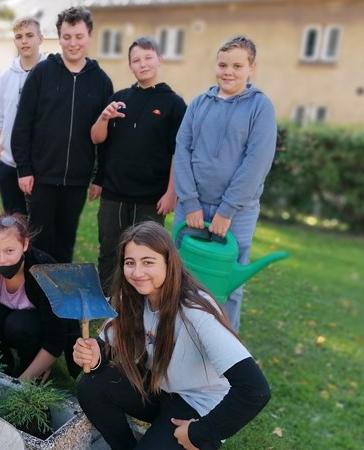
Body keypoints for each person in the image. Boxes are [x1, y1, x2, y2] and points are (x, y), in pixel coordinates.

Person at [73, 222, 271, 450]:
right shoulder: (131, 296)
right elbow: (107, 352)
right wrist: (93, 357)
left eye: (148, 262)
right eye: (130, 263)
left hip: (198, 406)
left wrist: (200, 433)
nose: (137, 273)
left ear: (169, 262)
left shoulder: (195, 311)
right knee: (92, 386)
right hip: (161, 389)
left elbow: (255, 390)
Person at [173, 36, 277, 332]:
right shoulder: (199, 103)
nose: (227, 71)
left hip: (236, 214)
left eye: (236, 65)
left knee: (228, 285)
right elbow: (182, 150)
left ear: (251, 68)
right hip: (191, 209)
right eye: (222, 65)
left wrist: (227, 211)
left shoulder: (260, 107)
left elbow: (256, 162)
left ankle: (224, 356)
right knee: (180, 277)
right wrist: (190, 203)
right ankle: (177, 338)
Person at [11, 6, 113, 263]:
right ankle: (37, 297)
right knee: (40, 242)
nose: (73, 43)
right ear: (59, 37)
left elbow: (106, 136)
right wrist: (24, 169)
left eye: (79, 36)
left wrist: (99, 177)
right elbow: (22, 123)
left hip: (77, 181)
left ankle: (60, 298)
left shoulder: (101, 81)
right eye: (67, 37)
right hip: (41, 177)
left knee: (65, 242)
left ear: (89, 35)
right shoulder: (43, 73)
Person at [90, 37, 187, 293]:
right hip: (114, 194)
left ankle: (142, 304)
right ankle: (109, 302)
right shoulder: (119, 98)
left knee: (147, 256)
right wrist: (103, 117)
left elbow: (178, 153)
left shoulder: (174, 104)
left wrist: (171, 193)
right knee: (110, 252)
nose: (142, 64)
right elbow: (98, 139)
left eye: (147, 58)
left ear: (159, 59)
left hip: (151, 198)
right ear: (130, 65)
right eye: (136, 60)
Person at [0, 213, 80, 381]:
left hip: (34, 329)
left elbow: (56, 337)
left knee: (18, 324)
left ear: (25, 244)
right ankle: (2, 365)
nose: (2, 260)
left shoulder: (46, 271)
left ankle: (32, 369)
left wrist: (20, 383)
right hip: (5, 322)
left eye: (9, 251)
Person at [0, 17, 46, 215]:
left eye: (29, 35)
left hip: (41, 168)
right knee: (14, 226)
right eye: (19, 37)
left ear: (40, 38)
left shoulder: (51, 75)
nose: (24, 41)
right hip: (9, 166)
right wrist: (1, 158)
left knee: (40, 228)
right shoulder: (5, 78)